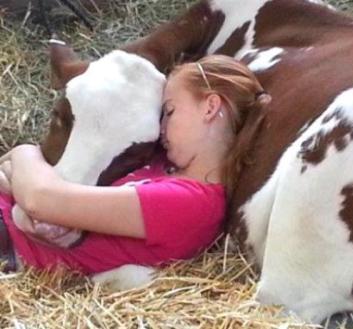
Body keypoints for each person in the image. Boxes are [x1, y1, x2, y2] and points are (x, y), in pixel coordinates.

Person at [0, 54, 271, 274]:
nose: (159, 126)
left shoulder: (191, 204)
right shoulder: (163, 162)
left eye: (169, 111)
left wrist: (23, 153)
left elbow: (40, 200)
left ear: (210, 107)